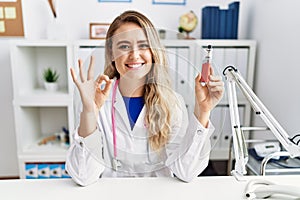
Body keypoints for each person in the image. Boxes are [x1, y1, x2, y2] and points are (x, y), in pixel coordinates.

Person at [66, 10, 224, 186]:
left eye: (143, 45)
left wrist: (203, 111)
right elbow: (83, 175)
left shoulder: (172, 103)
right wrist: (89, 112)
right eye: (124, 46)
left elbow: (185, 172)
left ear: (154, 52)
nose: (134, 55)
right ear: (111, 54)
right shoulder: (96, 101)